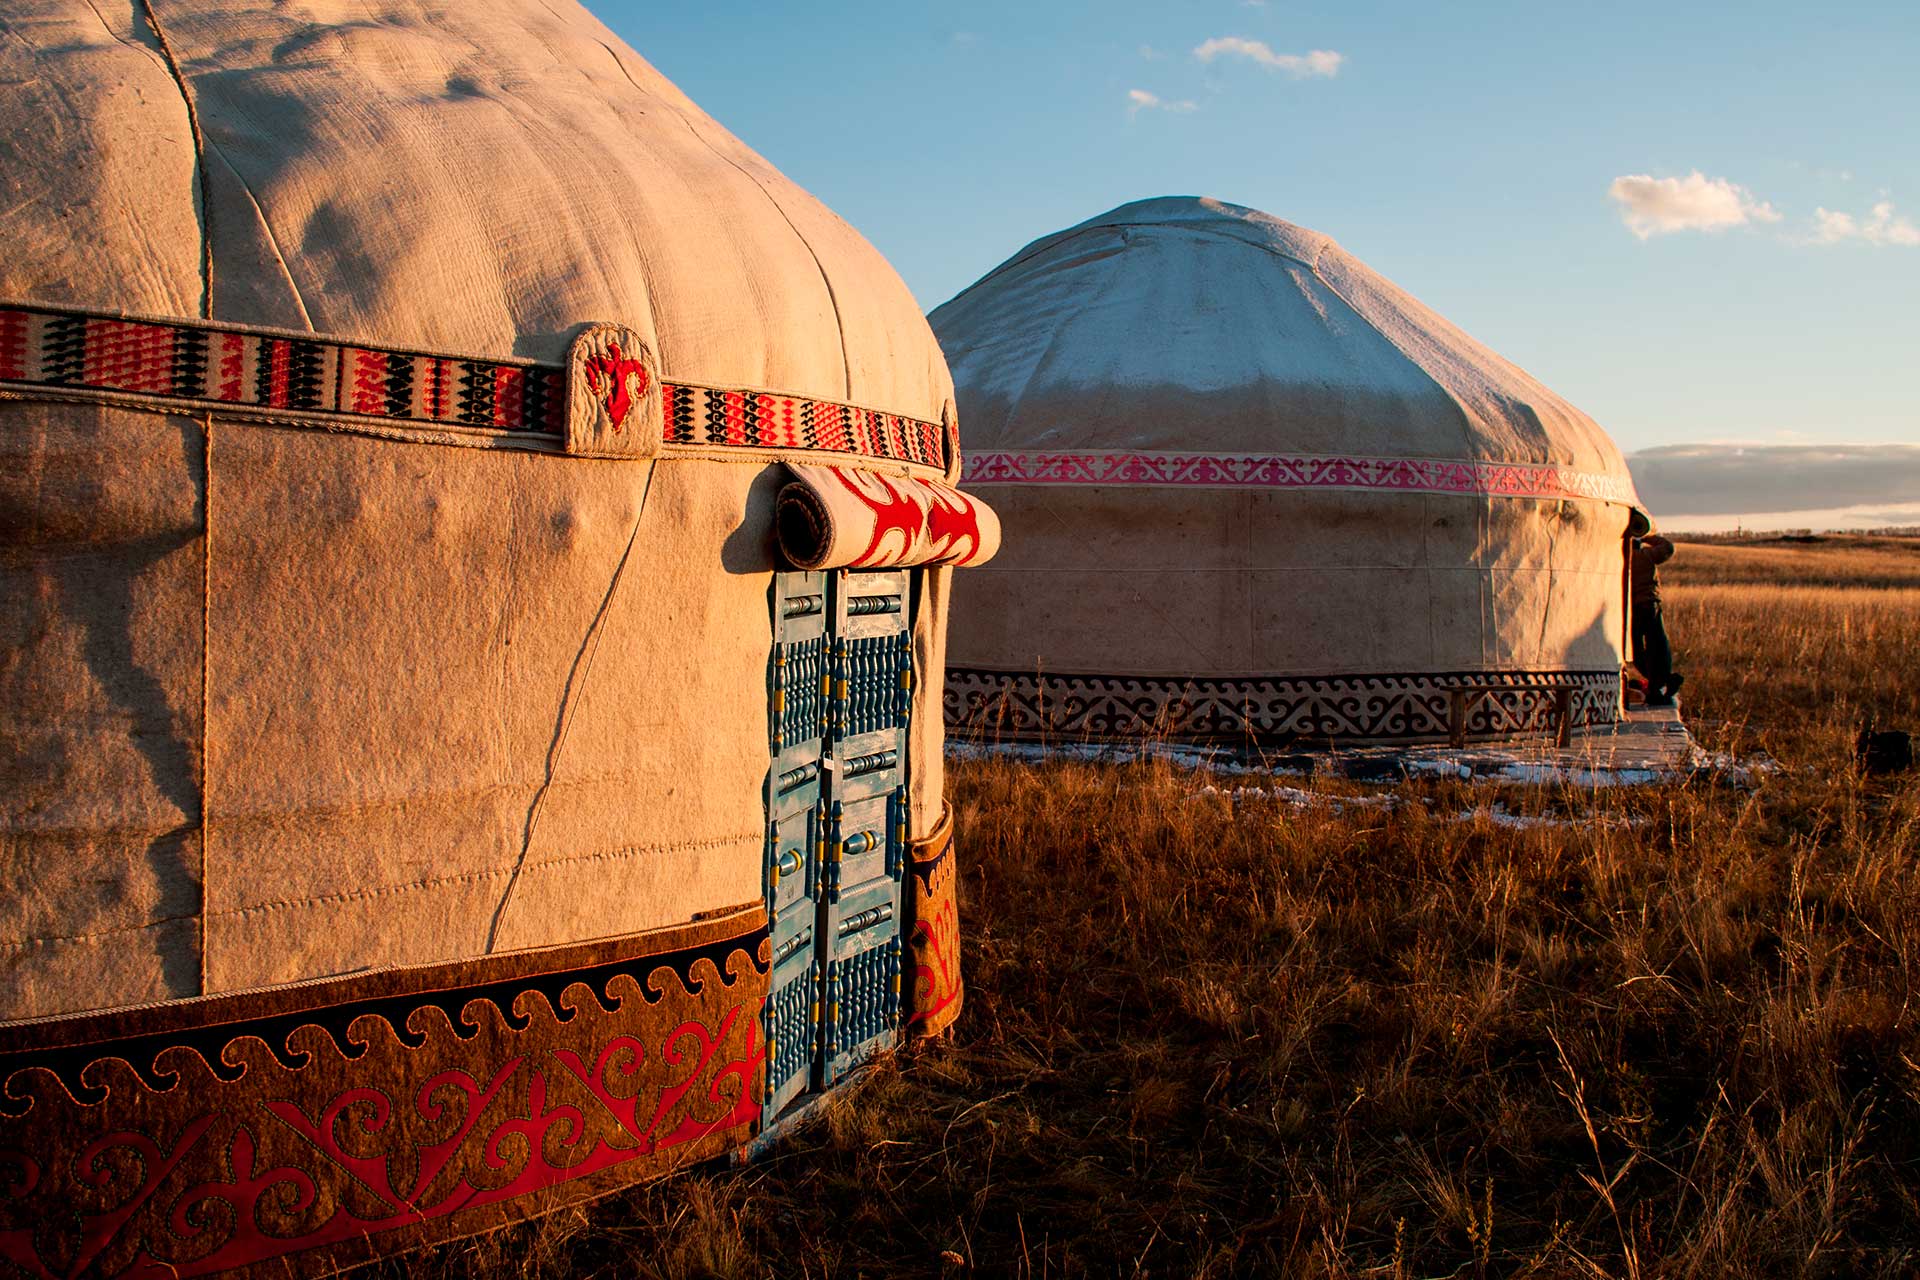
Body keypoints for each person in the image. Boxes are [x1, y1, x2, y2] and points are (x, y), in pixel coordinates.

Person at [1631, 533, 1682, 707]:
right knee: (1657, 644)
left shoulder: (1620, 560)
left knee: (1636, 649)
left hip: (1631, 608)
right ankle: (1660, 682)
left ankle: (1657, 683)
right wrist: (1648, 537)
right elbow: (1668, 548)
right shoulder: (1646, 556)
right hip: (1649, 604)